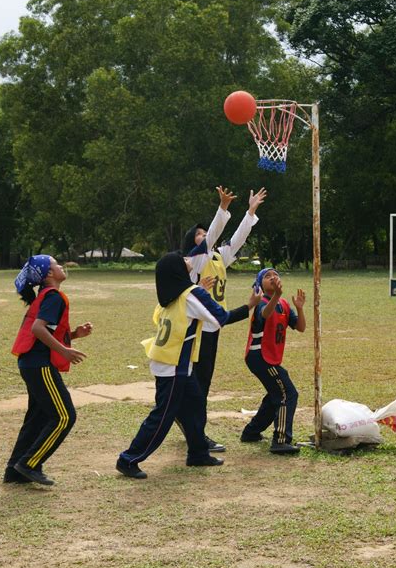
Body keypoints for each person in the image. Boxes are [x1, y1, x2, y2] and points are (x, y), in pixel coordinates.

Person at [116, 251, 261, 480]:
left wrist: (199, 288)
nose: (188, 261)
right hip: (174, 365)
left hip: (173, 362)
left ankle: (197, 453)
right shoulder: (191, 294)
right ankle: (129, 459)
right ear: (177, 270)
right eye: (183, 261)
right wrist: (249, 305)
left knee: (195, 405)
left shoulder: (171, 296)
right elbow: (221, 318)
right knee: (163, 416)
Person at [182, 187, 267, 452]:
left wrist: (250, 211)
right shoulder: (194, 260)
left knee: (199, 381)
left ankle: (187, 422)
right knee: (199, 382)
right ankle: (197, 433)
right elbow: (215, 235)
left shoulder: (218, 257)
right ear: (192, 243)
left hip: (214, 325)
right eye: (200, 234)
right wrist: (222, 208)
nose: (205, 236)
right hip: (197, 327)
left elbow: (237, 238)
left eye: (205, 233)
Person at [4, 255, 93, 486]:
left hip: (30, 363)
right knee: (65, 416)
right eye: (57, 264)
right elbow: (38, 329)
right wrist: (64, 350)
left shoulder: (46, 296)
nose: (62, 266)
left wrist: (74, 335)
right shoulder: (53, 297)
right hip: (38, 365)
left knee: (38, 417)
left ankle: (14, 471)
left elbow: (47, 331)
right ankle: (29, 463)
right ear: (49, 274)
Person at [241, 268, 306, 454]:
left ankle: (251, 432)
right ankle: (280, 440)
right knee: (288, 393)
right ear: (259, 284)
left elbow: (300, 327)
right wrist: (276, 295)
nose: (273, 278)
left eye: (275, 275)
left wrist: (300, 308)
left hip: (269, 357)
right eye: (267, 276)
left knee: (275, 394)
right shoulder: (261, 303)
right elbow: (265, 314)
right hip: (259, 356)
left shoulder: (284, 304)